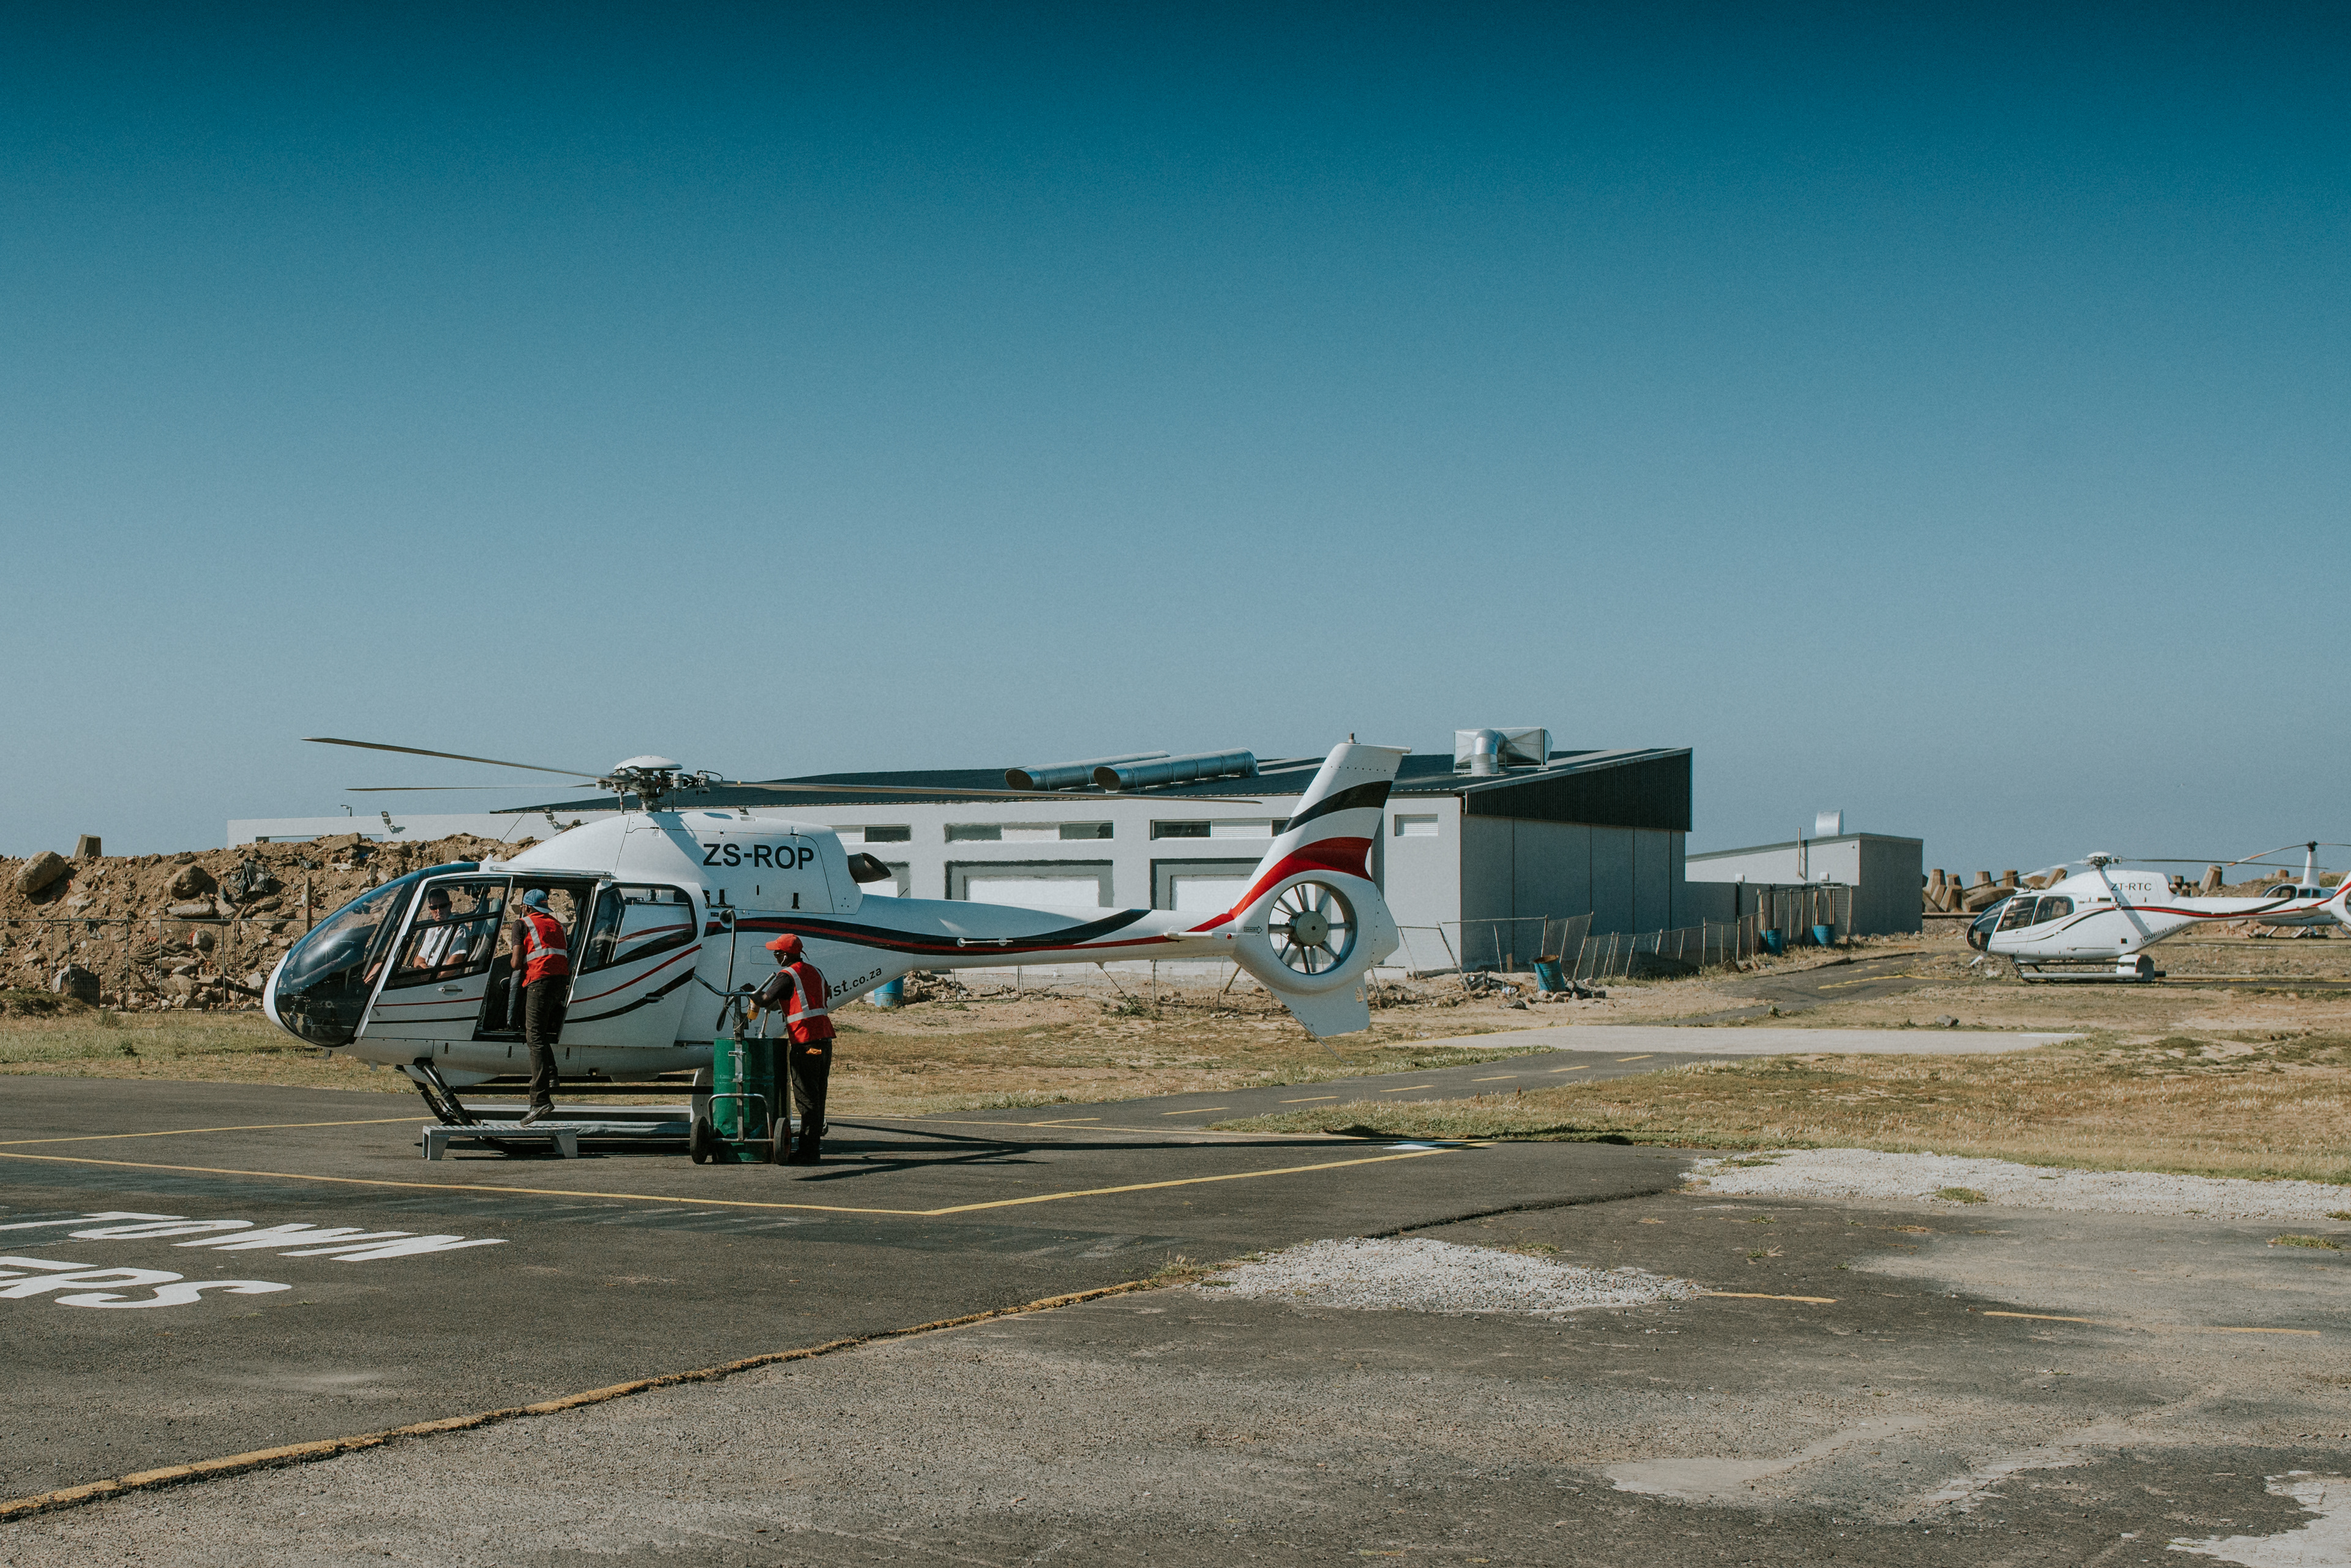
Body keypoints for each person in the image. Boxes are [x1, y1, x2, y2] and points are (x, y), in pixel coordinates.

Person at [754, 933, 834, 1163]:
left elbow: (766, 999)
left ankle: (809, 1153)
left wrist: (752, 993)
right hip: (824, 1043)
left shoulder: (787, 975)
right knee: (818, 1098)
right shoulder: (815, 971)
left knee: (806, 1099)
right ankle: (813, 1148)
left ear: (786, 955)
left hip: (805, 1043)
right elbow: (821, 995)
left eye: (777, 953)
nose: (775, 956)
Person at [508, 888, 572, 1126]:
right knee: (541, 1032)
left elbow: (516, 963)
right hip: (560, 982)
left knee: (533, 1036)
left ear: (526, 907)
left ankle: (540, 1100)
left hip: (539, 980)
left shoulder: (521, 924)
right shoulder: (558, 926)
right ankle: (552, 1073)